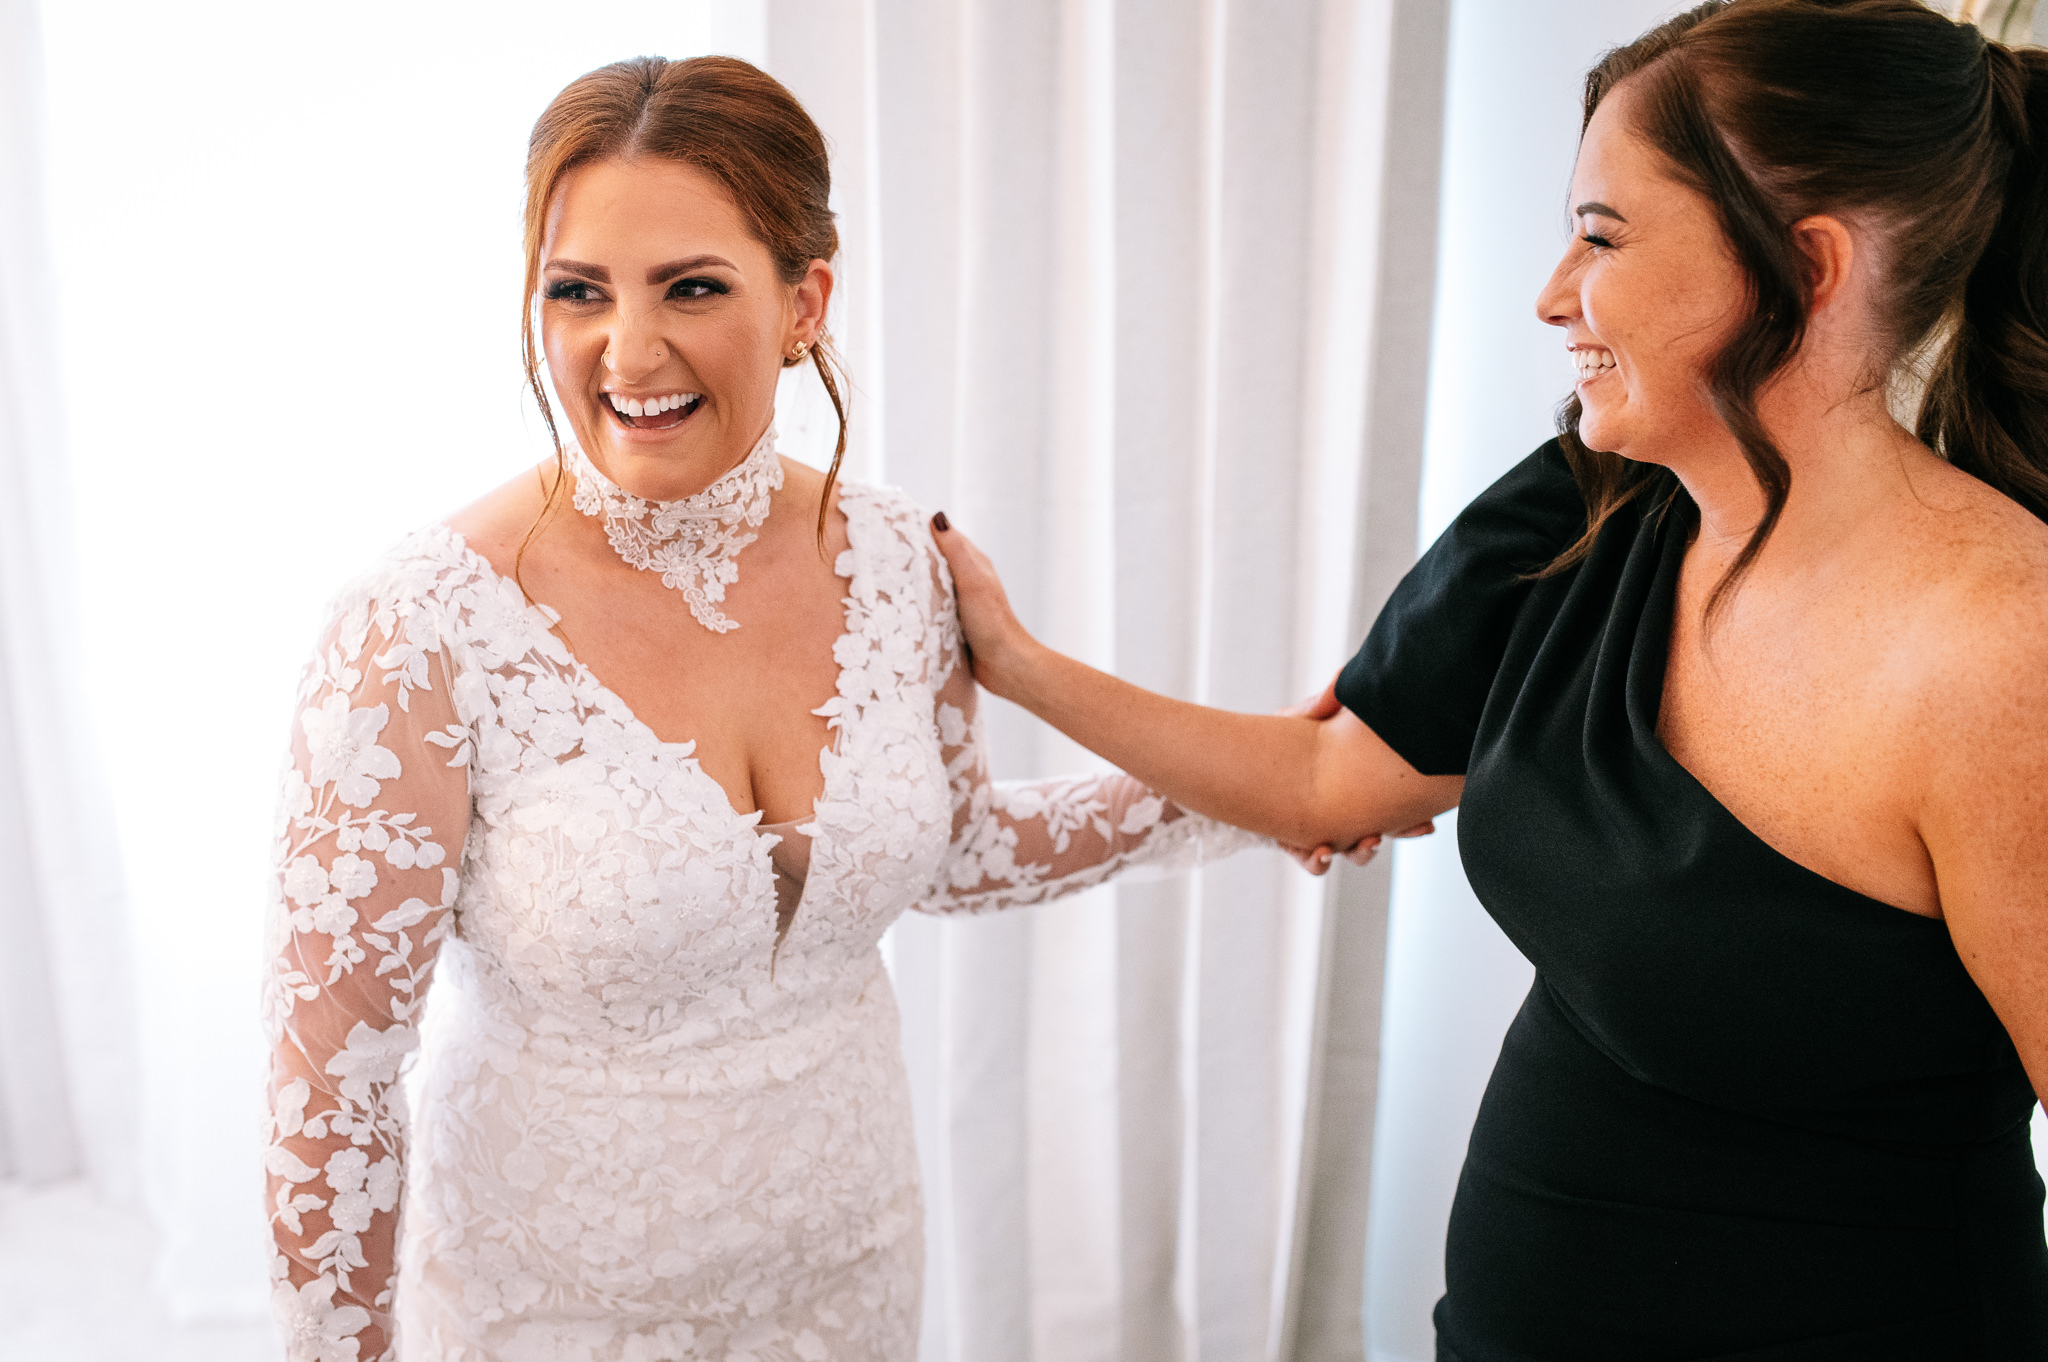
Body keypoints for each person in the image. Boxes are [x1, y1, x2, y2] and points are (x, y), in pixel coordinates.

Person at [933, 1, 2048, 1355]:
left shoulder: (2005, 653)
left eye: (1601, 235)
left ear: (1804, 268)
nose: (1551, 293)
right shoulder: (1598, 502)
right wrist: (1018, 662)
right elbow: (1334, 778)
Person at [261, 55, 1265, 1362]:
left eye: (691, 286)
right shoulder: (418, 628)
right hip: (554, 1309)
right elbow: (331, 1089)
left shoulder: (900, 560)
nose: (628, 351)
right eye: (578, 291)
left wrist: (1249, 794)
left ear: (804, 303)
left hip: (848, 1270)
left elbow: (953, 848)